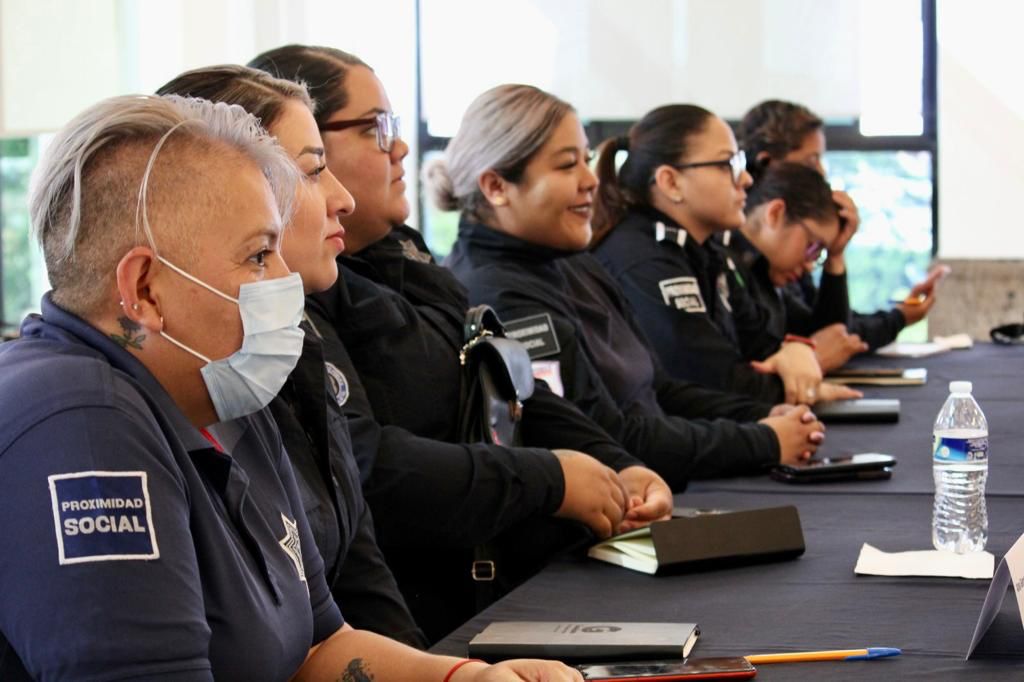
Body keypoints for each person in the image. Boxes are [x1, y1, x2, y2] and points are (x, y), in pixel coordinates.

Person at [0, 93, 581, 682]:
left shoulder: (222, 391)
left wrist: (468, 677)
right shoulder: (82, 426)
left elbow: (316, 648)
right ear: (145, 290)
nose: (285, 281)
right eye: (258, 256)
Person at [249, 44, 673, 642]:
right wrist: (550, 478)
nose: (400, 147)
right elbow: (369, 472)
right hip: (448, 602)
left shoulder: (404, 253)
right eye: (377, 128)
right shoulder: (297, 295)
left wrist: (616, 467)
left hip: (488, 590)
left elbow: (507, 377)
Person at [431, 84, 826, 489]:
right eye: (568, 166)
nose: (591, 180)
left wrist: (762, 416)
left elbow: (657, 389)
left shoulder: (575, 263)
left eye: (585, 160)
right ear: (496, 187)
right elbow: (605, 437)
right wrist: (761, 440)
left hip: (658, 478)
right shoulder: (497, 294)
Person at [157, 65, 425, 647]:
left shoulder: (289, 342)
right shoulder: (188, 379)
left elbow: (346, 584)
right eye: (313, 170)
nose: (344, 200)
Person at [590, 103, 855, 404]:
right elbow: (712, 381)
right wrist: (797, 387)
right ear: (671, 182)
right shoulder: (644, 259)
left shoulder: (708, 251)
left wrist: (796, 353)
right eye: (727, 164)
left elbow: (762, 350)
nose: (746, 179)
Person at [737, 99, 944, 353]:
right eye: (811, 161)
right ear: (768, 164)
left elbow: (829, 329)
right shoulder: (738, 255)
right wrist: (897, 319)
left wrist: (835, 255)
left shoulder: (780, 249)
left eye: (817, 251)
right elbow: (821, 335)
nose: (821, 172)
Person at [724, 161, 873, 380]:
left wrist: (835, 256)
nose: (810, 264)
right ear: (775, 213)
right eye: (813, 246)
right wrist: (814, 360)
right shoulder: (724, 265)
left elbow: (831, 334)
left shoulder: (764, 273)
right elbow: (728, 379)